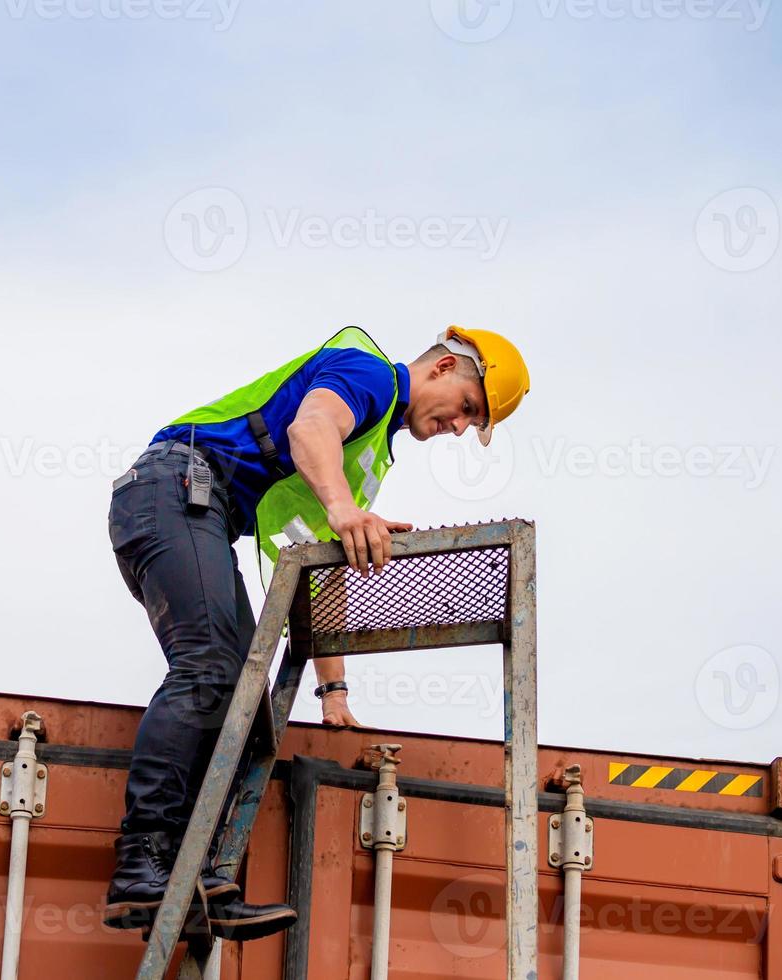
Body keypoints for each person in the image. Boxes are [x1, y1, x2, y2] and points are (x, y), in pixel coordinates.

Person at [102, 325, 530, 941]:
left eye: (472, 422)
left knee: (246, 706)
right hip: (175, 490)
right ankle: (142, 862)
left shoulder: (367, 448)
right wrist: (343, 508)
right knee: (211, 670)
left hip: (195, 511)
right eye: (467, 407)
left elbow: (322, 567)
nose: (459, 427)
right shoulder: (371, 376)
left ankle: (199, 876)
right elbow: (309, 429)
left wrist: (334, 695)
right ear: (442, 369)